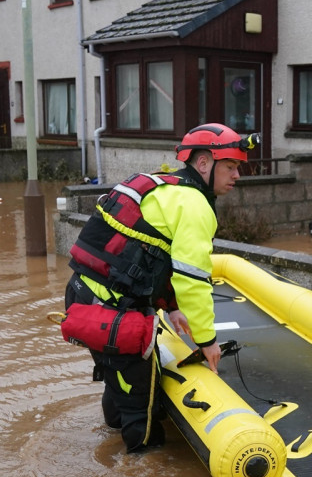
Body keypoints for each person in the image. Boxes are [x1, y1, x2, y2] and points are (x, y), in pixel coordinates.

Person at [65, 123, 253, 452]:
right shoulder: (194, 204)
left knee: (122, 376)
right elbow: (192, 279)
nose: (237, 175)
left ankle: (114, 427)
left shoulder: (166, 188)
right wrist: (206, 340)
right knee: (145, 408)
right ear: (205, 163)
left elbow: (150, 255)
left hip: (85, 296)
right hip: (114, 310)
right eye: (231, 167)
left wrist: (172, 307)